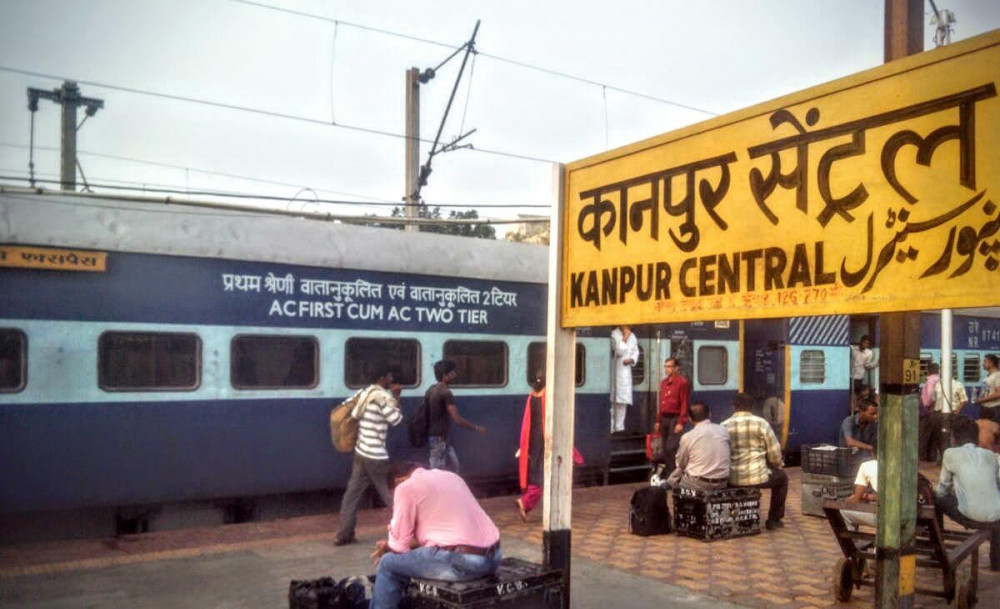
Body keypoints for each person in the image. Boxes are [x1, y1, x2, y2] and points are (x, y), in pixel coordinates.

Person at [370, 462, 501, 609]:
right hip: (493, 558)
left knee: (387, 563)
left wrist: (388, 546)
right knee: (409, 558)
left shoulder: (405, 487)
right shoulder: (452, 477)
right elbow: (443, 536)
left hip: (464, 563)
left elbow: (399, 546)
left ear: (398, 481)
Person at [335, 366, 403, 546]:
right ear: (382, 378)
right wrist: (397, 397)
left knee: (351, 495)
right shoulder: (382, 397)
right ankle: (405, 533)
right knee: (392, 496)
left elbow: (349, 408)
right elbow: (396, 420)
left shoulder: (363, 393)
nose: (391, 379)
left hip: (361, 452)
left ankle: (344, 535)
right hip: (377, 456)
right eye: (389, 376)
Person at [516, 371, 583, 520]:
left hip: (534, 439)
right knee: (546, 474)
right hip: (546, 438)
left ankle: (530, 504)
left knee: (539, 471)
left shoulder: (532, 395)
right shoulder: (548, 395)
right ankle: (526, 502)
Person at [934, 423, 1000, 571]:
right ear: (976, 438)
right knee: (994, 505)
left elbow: (943, 488)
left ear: (954, 438)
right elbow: (997, 484)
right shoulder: (990, 455)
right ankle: (997, 562)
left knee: (936, 499)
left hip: (970, 517)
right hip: (996, 516)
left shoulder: (950, 453)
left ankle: (937, 548)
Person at [722, 393, 789, 530]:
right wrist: (777, 465)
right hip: (758, 478)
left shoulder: (724, 426)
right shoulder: (762, 424)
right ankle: (773, 520)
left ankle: (732, 517)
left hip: (732, 479)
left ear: (734, 407)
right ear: (752, 407)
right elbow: (775, 454)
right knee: (782, 479)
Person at [425, 360, 486, 472]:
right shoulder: (446, 393)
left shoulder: (431, 390)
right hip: (439, 439)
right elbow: (456, 418)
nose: (455, 375)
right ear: (445, 375)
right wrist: (476, 428)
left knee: (454, 467)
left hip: (439, 438)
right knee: (438, 472)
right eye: (452, 373)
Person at [665, 402, 730, 492]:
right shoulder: (724, 431)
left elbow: (681, 464)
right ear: (710, 414)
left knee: (678, 478)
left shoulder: (687, 437)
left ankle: (667, 484)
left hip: (697, 484)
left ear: (690, 419)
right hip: (722, 482)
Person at [655, 357, 690, 473]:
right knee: (664, 447)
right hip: (664, 418)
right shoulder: (664, 383)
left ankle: (673, 473)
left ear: (676, 368)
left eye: (669, 367)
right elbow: (661, 402)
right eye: (665, 366)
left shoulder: (682, 382)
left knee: (672, 447)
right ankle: (668, 472)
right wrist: (658, 420)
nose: (666, 369)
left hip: (675, 418)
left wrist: (681, 422)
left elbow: (684, 403)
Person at [610, 325, 639, 433]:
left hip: (626, 371)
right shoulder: (614, 335)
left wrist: (632, 360)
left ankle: (620, 427)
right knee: (614, 401)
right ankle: (612, 427)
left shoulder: (633, 336)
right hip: (616, 369)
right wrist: (625, 337)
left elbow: (636, 351)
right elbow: (619, 351)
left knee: (623, 401)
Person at [843, 459, 879, 529]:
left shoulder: (867, 465)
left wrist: (862, 496)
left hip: (882, 517)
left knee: (843, 512)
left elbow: (856, 500)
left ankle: (852, 536)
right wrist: (869, 497)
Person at [980, 354, 1000, 423]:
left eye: (985, 362)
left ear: (991, 363)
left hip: (994, 409)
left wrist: (982, 399)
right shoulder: (988, 376)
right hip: (986, 408)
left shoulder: (998, 375)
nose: (983, 364)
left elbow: (998, 393)